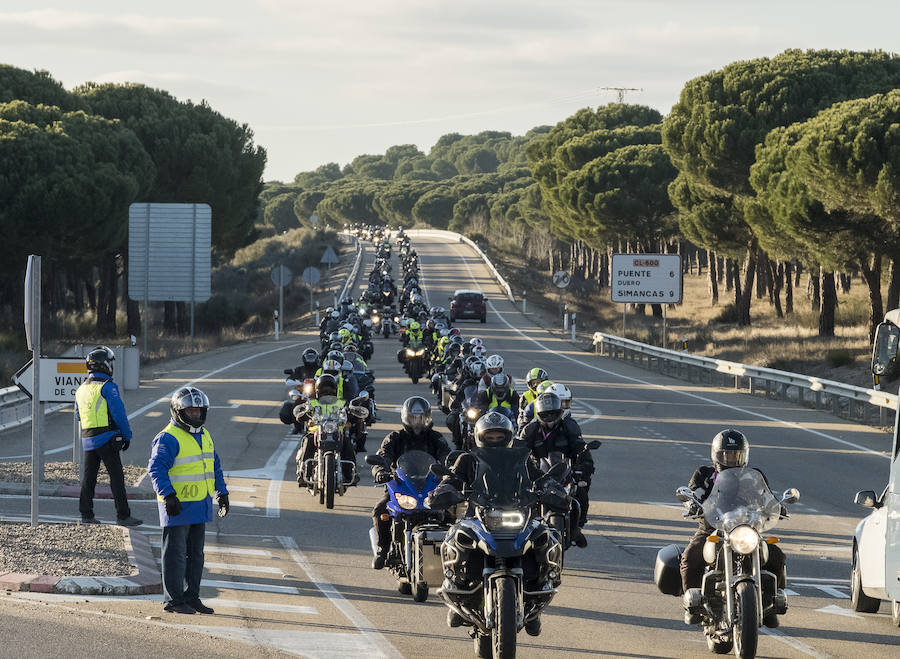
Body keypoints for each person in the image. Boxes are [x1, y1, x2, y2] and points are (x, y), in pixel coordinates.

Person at [679, 429, 786, 626]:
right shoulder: (704, 474)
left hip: (747, 528)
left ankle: (770, 604)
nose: (731, 459)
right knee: (690, 556)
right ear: (716, 455)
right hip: (712, 529)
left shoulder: (755, 476)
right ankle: (692, 605)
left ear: (744, 455)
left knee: (776, 555)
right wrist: (691, 502)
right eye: (726, 455)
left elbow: (767, 496)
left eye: (736, 455)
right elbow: (693, 492)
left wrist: (778, 505)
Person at [148, 387, 229, 615]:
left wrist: (222, 493)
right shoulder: (168, 437)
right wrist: (168, 495)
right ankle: (173, 600)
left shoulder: (204, 435)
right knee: (175, 556)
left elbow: (214, 465)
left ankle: (191, 596)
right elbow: (156, 468)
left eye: (198, 411)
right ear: (178, 411)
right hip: (178, 507)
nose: (195, 415)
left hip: (200, 506)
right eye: (190, 411)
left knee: (196, 556)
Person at [371, 396, 450, 569]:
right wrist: (381, 472)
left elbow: (446, 457)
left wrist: (450, 471)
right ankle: (383, 549)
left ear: (427, 417)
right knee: (380, 510)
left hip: (430, 487)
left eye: (420, 417)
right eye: (413, 417)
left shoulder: (436, 438)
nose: (417, 421)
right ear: (406, 418)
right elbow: (383, 456)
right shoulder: (395, 438)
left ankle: (452, 555)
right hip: (401, 485)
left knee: (452, 512)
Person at [75, 346, 142, 527]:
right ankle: (123, 516)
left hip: (88, 440)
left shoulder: (81, 390)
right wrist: (126, 435)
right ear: (105, 365)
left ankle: (86, 514)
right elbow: (119, 414)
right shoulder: (108, 387)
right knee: (117, 478)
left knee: (89, 479)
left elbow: (78, 416)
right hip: (107, 439)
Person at [520, 392, 593, 547]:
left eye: (553, 413)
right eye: (546, 414)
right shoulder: (530, 430)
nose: (550, 417)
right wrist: (519, 468)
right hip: (537, 474)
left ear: (560, 412)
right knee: (519, 499)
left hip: (564, 472)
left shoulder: (569, 427)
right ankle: (521, 531)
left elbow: (581, 447)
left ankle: (577, 528)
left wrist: (585, 465)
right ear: (539, 413)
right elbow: (519, 452)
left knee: (581, 494)